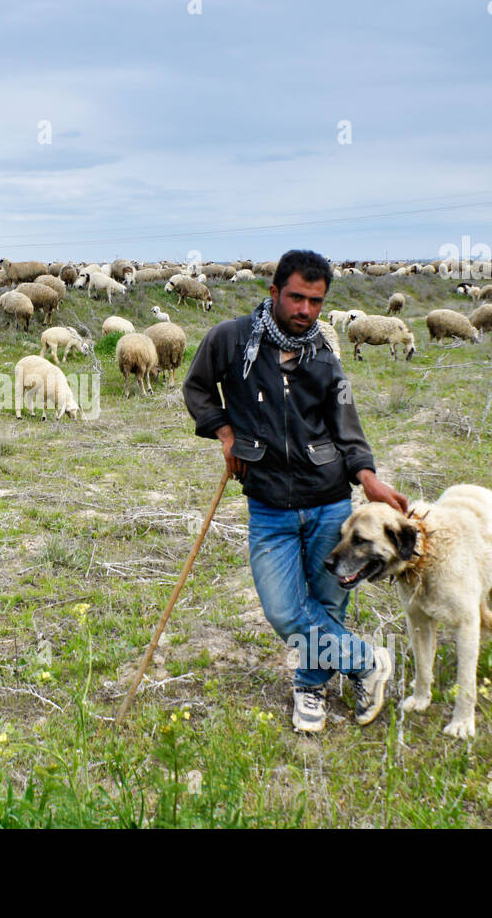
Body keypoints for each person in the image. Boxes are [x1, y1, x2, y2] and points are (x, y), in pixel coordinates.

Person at [182, 249, 408, 733]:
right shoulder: (230, 340)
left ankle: (310, 687)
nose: (306, 310)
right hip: (269, 506)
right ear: (274, 293)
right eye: (296, 298)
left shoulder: (326, 354)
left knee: (326, 607)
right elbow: (197, 389)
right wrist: (225, 433)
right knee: (286, 612)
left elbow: (346, 426)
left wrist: (366, 475)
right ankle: (366, 662)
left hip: (328, 504)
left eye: (316, 301)